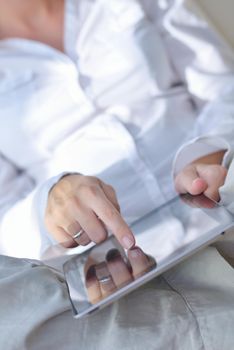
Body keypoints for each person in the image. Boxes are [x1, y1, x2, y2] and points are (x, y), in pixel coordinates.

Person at [0, 0, 234, 348]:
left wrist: (209, 152)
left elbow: (223, 89)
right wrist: (48, 207)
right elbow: (4, 222)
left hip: (220, 200)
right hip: (115, 276)